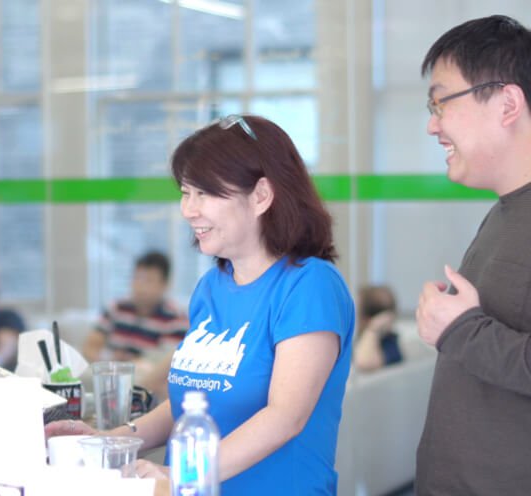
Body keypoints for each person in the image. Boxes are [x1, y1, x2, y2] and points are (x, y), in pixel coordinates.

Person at [47, 115, 355, 495]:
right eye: (185, 192)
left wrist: (183, 476)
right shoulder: (212, 287)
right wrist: (108, 439)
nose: (188, 209)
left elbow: (284, 417)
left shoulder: (310, 286)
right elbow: (188, 404)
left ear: (261, 195)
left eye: (204, 194)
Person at [416, 15, 531, 495]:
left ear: (507, 102)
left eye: (441, 101)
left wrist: (461, 330)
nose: (432, 125)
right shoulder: (505, 212)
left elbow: (474, 336)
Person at [82, 251, 188, 400]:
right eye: (137, 278)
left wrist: (128, 365)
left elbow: (162, 365)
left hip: (146, 382)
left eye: (149, 281)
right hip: (108, 374)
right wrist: (108, 360)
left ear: (165, 285)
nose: (141, 286)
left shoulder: (175, 320)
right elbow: (91, 345)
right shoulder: (116, 308)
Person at [353, 285, 402, 372]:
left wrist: (373, 329)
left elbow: (364, 363)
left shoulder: (390, 345)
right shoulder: (354, 339)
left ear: (366, 319)